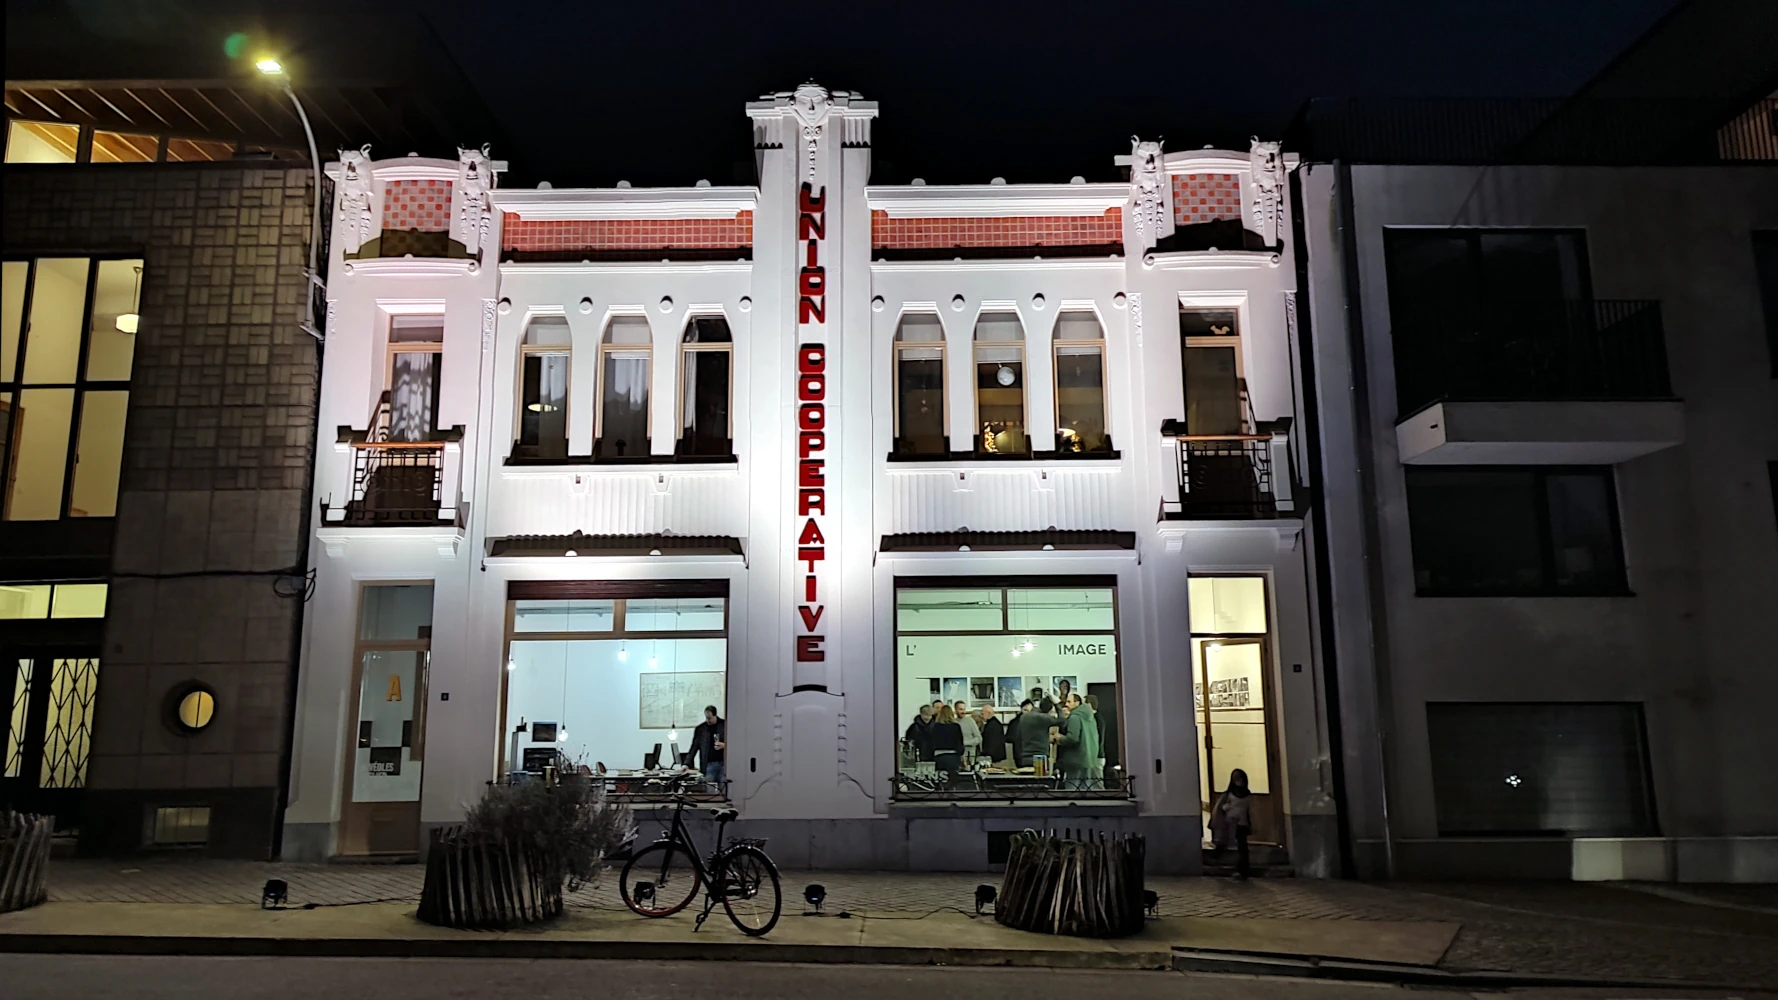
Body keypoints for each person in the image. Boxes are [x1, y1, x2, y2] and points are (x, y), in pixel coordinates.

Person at [1211, 768, 1254, 878]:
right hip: (1229, 822)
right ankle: (1214, 859)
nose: (1238, 781)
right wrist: (1226, 808)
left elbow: (1249, 810)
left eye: (1240, 778)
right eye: (1236, 778)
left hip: (1241, 823)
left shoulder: (1248, 794)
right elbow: (1221, 806)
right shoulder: (1229, 793)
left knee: (1242, 847)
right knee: (1223, 842)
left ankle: (1243, 870)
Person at [1054, 693, 1101, 789]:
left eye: (1069, 701)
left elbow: (1073, 738)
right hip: (1089, 758)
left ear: (1077, 703)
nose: (1066, 704)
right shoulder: (1090, 717)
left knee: (1072, 788)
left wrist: (1059, 738)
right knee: (1085, 788)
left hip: (1075, 759)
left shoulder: (1074, 717)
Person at [687, 705, 726, 788]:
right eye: (706, 718)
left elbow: (736, 743)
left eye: (710, 718)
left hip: (724, 763)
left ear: (715, 715)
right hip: (708, 764)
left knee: (724, 789)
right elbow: (694, 747)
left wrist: (725, 745)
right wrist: (686, 764)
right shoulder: (701, 729)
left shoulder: (725, 725)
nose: (708, 720)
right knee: (709, 790)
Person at [1017, 698, 1058, 773]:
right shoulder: (1044, 718)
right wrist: (1057, 704)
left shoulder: (1023, 717)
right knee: (1042, 783)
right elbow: (1062, 721)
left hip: (1025, 757)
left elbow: (1018, 738)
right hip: (1041, 758)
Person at [930, 703, 965, 781]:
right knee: (952, 780)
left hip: (939, 756)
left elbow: (931, 743)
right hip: (953, 756)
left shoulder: (935, 727)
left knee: (940, 779)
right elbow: (959, 743)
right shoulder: (956, 727)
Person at [1007, 699, 1034, 768]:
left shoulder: (1015, 722)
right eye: (1025, 710)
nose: (1028, 713)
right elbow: (1009, 738)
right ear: (1021, 709)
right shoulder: (1015, 723)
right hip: (1021, 755)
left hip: (1029, 754)